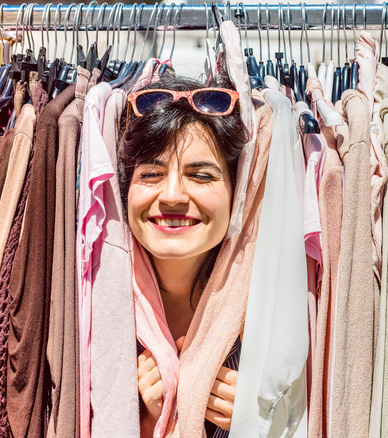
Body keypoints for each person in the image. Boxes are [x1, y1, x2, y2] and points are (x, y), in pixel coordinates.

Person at [118, 76, 247, 437]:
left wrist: (261, 422)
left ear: (236, 192)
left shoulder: (266, 316)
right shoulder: (95, 307)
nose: (172, 195)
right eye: (152, 174)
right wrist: (146, 421)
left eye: (201, 175)